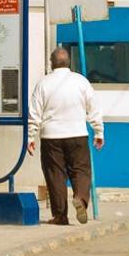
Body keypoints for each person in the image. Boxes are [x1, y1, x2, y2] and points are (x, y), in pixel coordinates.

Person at [28, 47, 103, 226]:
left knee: (55, 175)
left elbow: (35, 113)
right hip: (77, 134)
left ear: (51, 62)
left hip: (51, 137)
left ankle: (60, 216)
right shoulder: (81, 82)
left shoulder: (43, 84)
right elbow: (93, 107)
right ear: (69, 62)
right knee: (81, 171)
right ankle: (80, 199)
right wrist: (98, 131)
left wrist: (30, 137)